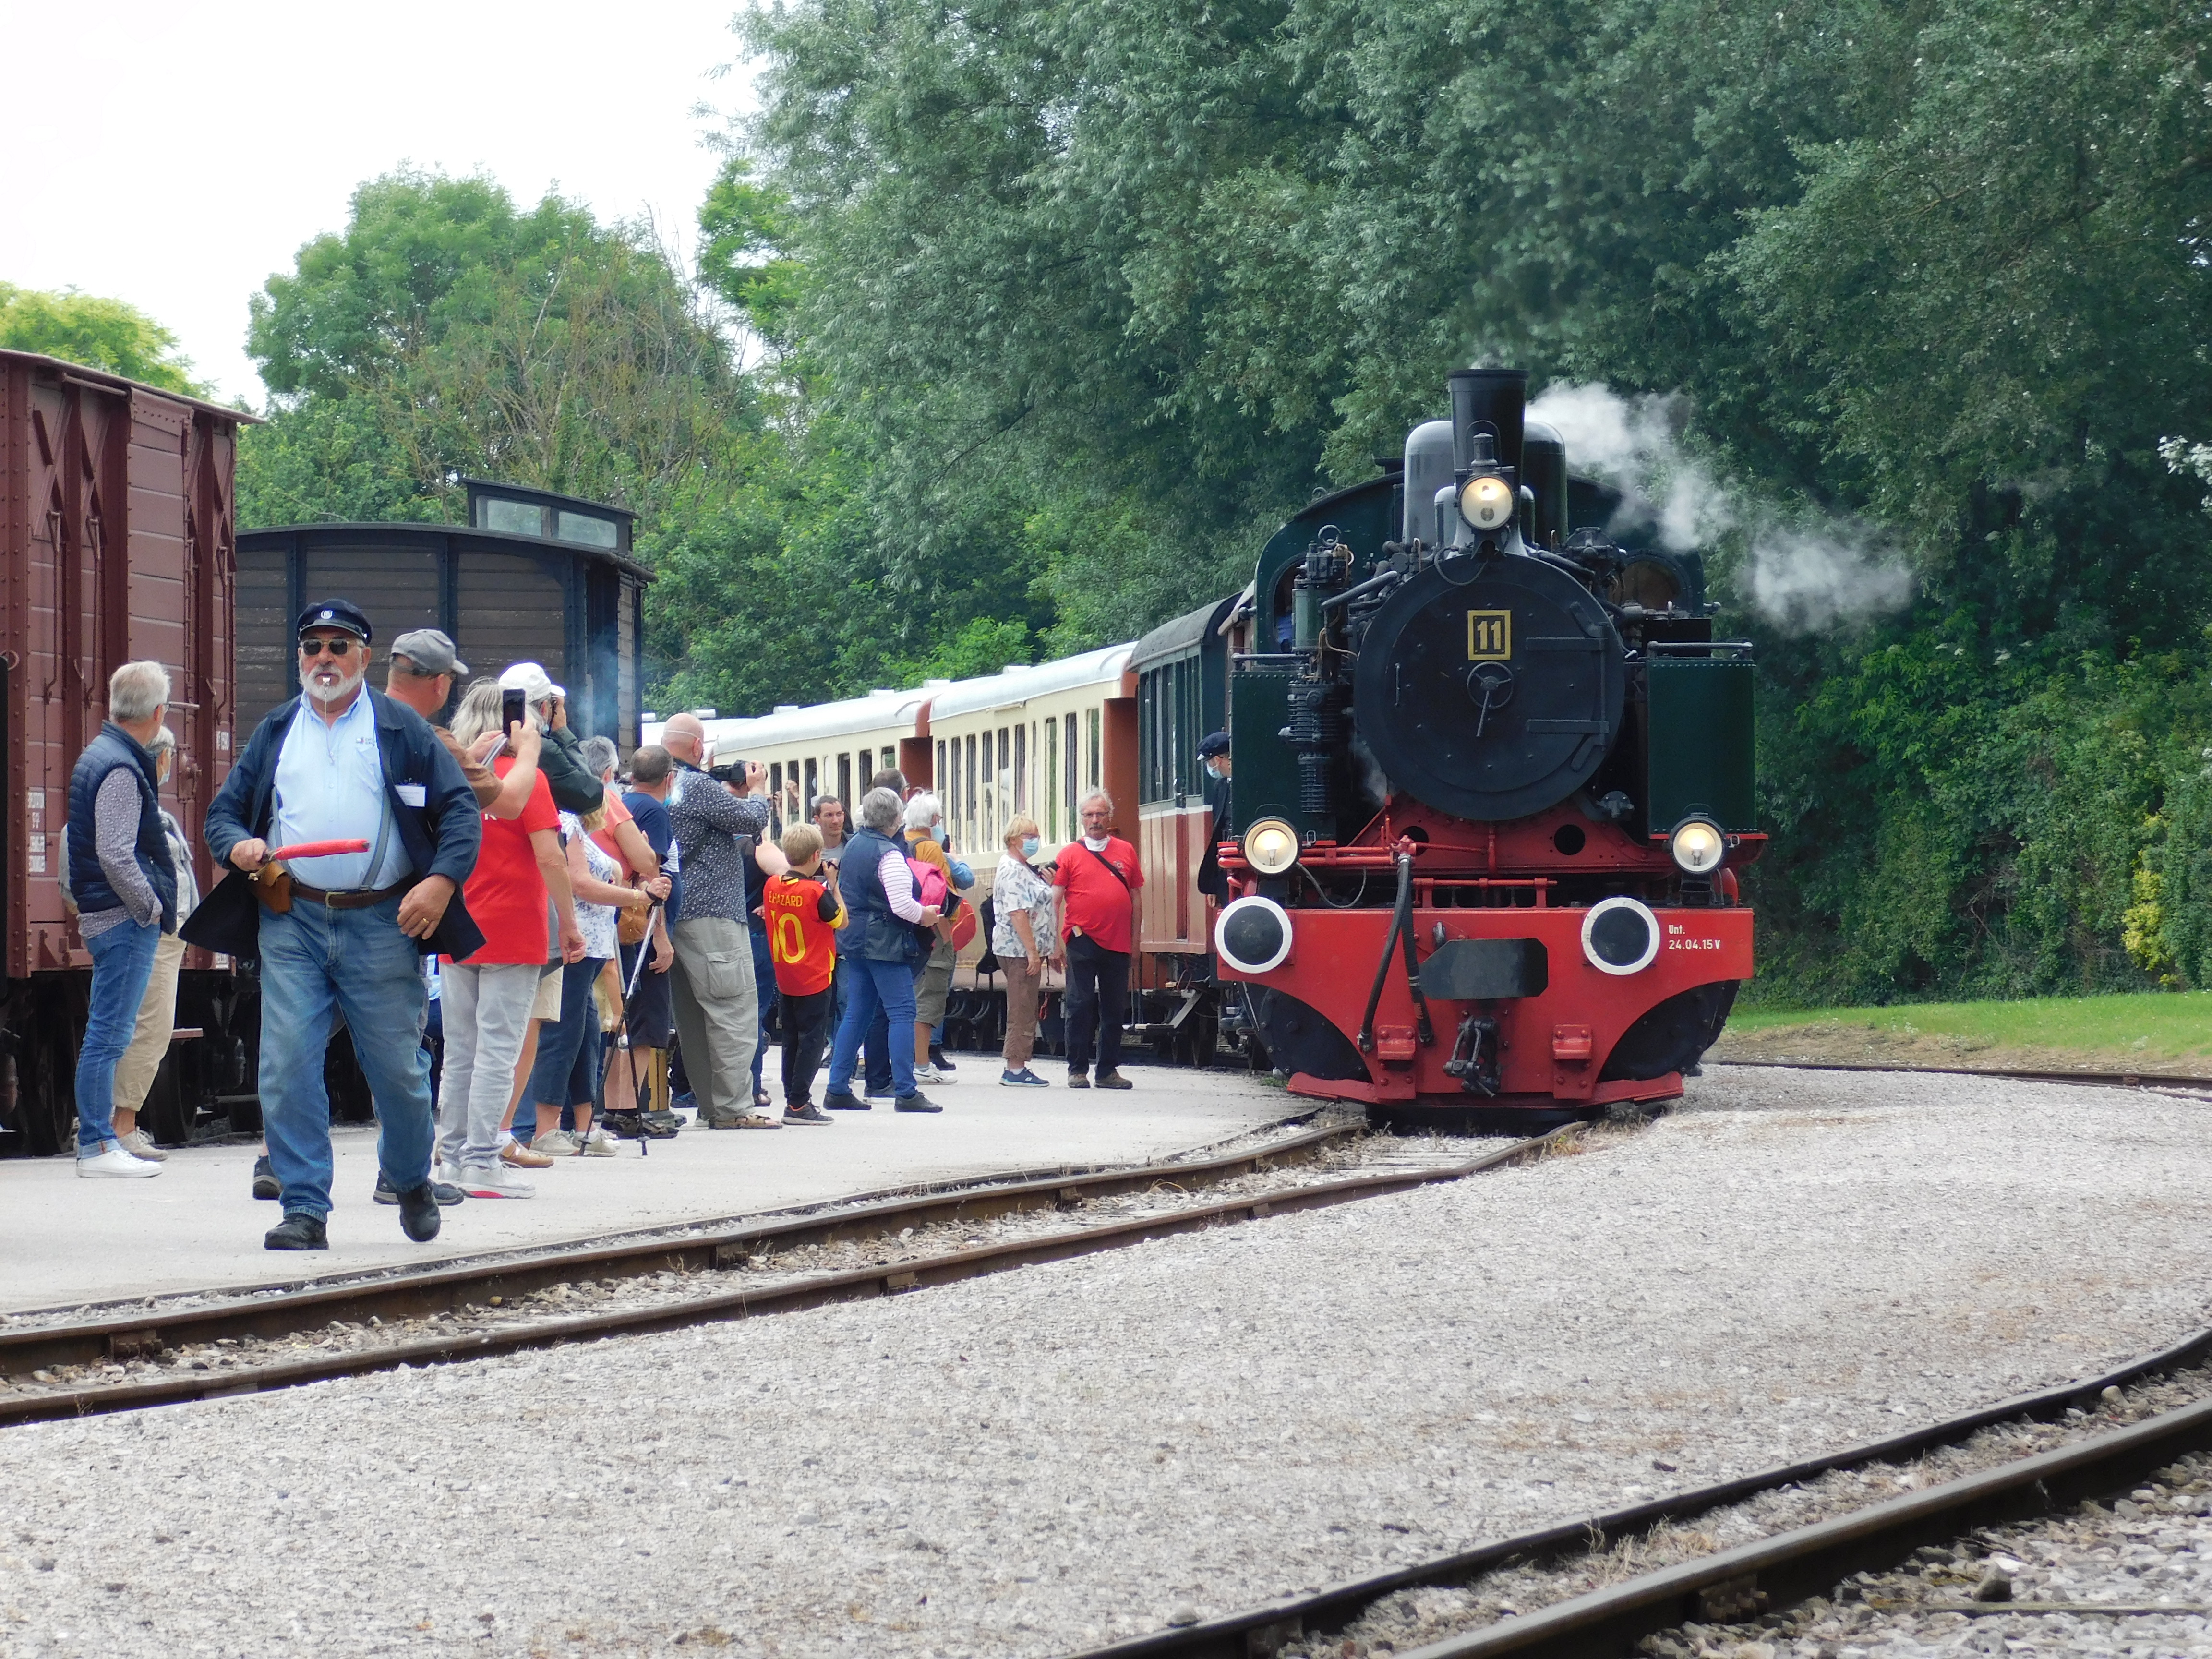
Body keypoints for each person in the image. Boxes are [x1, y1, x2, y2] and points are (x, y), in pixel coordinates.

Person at [192, 599, 484, 1250]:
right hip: (291, 918)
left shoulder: (401, 728)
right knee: (286, 1063)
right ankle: (304, 1208)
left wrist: (438, 884)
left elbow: (462, 813)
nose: (325, 659)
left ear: (364, 657)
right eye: (313, 647)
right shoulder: (275, 730)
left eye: (339, 647)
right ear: (300, 658)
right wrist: (239, 845)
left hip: (383, 921)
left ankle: (409, 1178)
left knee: (400, 1075)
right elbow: (223, 816)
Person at [433, 679, 585, 1198]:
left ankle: (449, 1157)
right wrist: (568, 922)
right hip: (514, 927)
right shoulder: (527, 781)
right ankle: (482, 1160)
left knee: (459, 1050)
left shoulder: (453, 778)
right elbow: (550, 857)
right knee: (498, 1049)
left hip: (458, 924)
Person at [66, 661, 179, 1178]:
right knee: (110, 1035)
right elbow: (115, 853)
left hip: (108, 915)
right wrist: (149, 908)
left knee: (106, 1033)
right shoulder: (120, 767)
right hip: (121, 918)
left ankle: (100, 1142)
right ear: (158, 713)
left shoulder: (101, 755)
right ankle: (96, 1145)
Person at [659, 713, 780, 1129]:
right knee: (734, 1010)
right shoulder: (695, 785)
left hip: (676, 917)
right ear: (698, 748)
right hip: (714, 917)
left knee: (693, 1018)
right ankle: (733, 1109)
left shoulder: (663, 786)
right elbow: (750, 821)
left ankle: (712, 1107)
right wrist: (758, 790)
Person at [527, 797, 654, 1156]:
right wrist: (637, 896)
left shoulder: (580, 828)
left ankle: (585, 1127)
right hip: (576, 946)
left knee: (585, 1041)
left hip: (594, 949)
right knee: (562, 1036)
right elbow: (580, 883)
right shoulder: (566, 824)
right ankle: (545, 1128)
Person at [104, 725, 202, 1162]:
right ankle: (121, 1126)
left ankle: (119, 1124)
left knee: (143, 1027)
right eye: (170, 756)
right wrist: (154, 912)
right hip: (154, 933)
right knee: (149, 1028)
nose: (173, 765)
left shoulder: (147, 807)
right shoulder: (138, 807)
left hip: (166, 933)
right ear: (158, 758)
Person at [820, 787, 943, 1114]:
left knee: (856, 1014)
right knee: (902, 1012)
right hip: (885, 944)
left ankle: (837, 1087)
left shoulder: (856, 845)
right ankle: (906, 1090)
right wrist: (927, 915)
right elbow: (901, 904)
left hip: (855, 941)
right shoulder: (888, 854)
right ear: (896, 818)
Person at [607, 745, 681, 1137]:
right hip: (645, 930)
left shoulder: (621, 804)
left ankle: (619, 1107)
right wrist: (663, 937)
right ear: (668, 778)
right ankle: (629, 1107)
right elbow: (653, 876)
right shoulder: (653, 811)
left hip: (627, 928)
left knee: (627, 1019)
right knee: (647, 1022)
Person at [1051, 790, 1143, 1090]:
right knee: (1080, 1003)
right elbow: (1054, 901)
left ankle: (1107, 1071)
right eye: (1089, 815)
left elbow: (1136, 898)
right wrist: (1055, 942)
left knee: (1114, 1008)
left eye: (1100, 814)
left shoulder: (1126, 851)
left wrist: (1136, 943)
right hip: (1081, 938)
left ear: (1109, 817)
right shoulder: (1069, 854)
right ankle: (1077, 1070)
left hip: (1118, 942)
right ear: (1081, 820)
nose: (1095, 820)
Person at [765, 823, 842, 1123]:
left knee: (792, 1039)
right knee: (812, 1040)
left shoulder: (772, 885)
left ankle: (791, 1096)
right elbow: (840, 921)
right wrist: (833, 884)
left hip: (786, 976)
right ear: (816, 854)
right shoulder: (815, 892)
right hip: (814, 976)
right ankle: (799, 1103)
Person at [990, 813, 1058, 1088]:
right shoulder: (1013, 870)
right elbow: (1018, 913)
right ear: (1013, 840)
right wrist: (1033, 952)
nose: (1034, 841)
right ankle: (1015, 1068)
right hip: (1018, 951)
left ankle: (1018, 1065)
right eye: (1028, 836)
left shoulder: (1024, 868)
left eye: (1035, 835)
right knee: (1021, 1007)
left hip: (1023, 949)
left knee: (1026, 1005)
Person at [903, 793, 961, 1086]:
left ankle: (909, 1060)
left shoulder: (901, 843)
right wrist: (946, 934)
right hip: (934, 932)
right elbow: (940, 894)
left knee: (909, 999)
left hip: (908, 931)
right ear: (934, 820)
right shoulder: (930, 848)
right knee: (929, 999)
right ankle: (922, 1064)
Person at [1196, 729, 1234, 903]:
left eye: (1208, 762)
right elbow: (1218, 833)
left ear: (1218, 760)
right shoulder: (1221, 787)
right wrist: (1214, 886)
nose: (1209, 768)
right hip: (1227, 867)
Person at [811, 794, 847, 861]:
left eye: (839, 814)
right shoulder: (809, 852)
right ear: (817, 820)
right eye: (829, 815)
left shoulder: (855, 846)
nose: (836, 821)